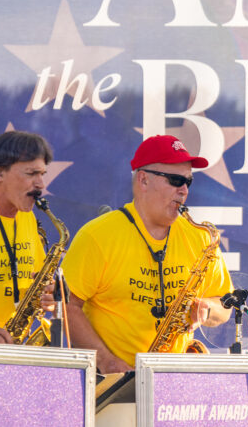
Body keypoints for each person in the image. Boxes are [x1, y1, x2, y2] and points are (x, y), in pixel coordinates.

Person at [62, 135, 233, 372]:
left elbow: (224, 305)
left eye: (188, 182)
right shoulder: (97, 235)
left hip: (174, 377)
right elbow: (66, 307)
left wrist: (207, 309)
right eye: (175, 180)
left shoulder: (201, 237)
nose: (183, 190)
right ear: (143, 180)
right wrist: (106, 361)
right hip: (111, 382)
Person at [0, 130, 54, 345]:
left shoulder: (28, 218)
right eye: (31, 173)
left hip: (8, 348)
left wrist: (48, 295)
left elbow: (34, 280)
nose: (40, 184)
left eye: (42, 173)